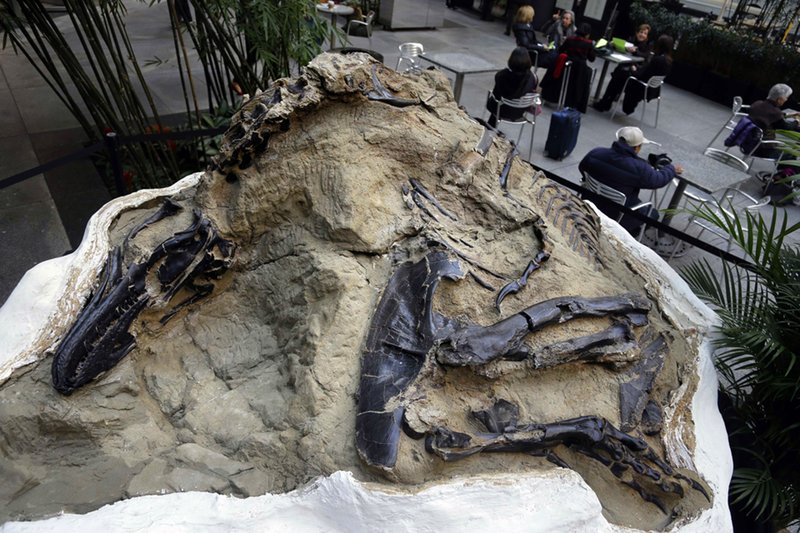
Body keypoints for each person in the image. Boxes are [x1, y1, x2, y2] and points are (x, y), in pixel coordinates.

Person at [579, 126, 683, 234]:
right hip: (617, 216)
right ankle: (626, 235)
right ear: (637, 148)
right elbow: (659, 180)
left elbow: (582, 168)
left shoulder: (596, 153)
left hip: (589, 204)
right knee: (653, 214)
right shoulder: (639, 168)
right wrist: (671, 169)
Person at [593, 34, 673, 114]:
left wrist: (634, 70)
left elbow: (641, 76)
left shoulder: (657, 60)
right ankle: (607, 102)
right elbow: (648, 73)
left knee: (619, 74)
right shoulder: (668, 61)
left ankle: (605, 103)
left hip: (639, 87)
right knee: (620, 74)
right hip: (652, 89)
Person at [540, 23, 595, 113]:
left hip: (566, 67)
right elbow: (592, 59)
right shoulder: (588, 43)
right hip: (580, 70)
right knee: (588, 73)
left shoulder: (570, 39)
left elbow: (560, 50)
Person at [486, 47, 538, 127]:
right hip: (519, 112)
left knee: (497, 99)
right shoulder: (533, 78)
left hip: (500, 110)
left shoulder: (502, 75)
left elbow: (497, 95)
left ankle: (489, 127)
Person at [747, 83, 800, 157]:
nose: (786, 99)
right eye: (786, 97)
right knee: (792, 154)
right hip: (762, 149)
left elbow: (767, 114)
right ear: (779, 99)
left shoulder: (757, 104)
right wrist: (797, 121)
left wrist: (789, 115)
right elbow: (786, 127)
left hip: (747, 142)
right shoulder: (775, 113)